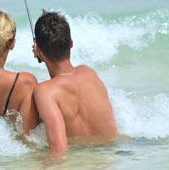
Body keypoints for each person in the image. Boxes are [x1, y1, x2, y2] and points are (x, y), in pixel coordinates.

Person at [33, 11, 117, 154]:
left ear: (38, 50)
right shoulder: (89, 73)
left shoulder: (45, 91)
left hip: (82, 161)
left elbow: (59, 150)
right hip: (112, 157)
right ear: (71, 43)